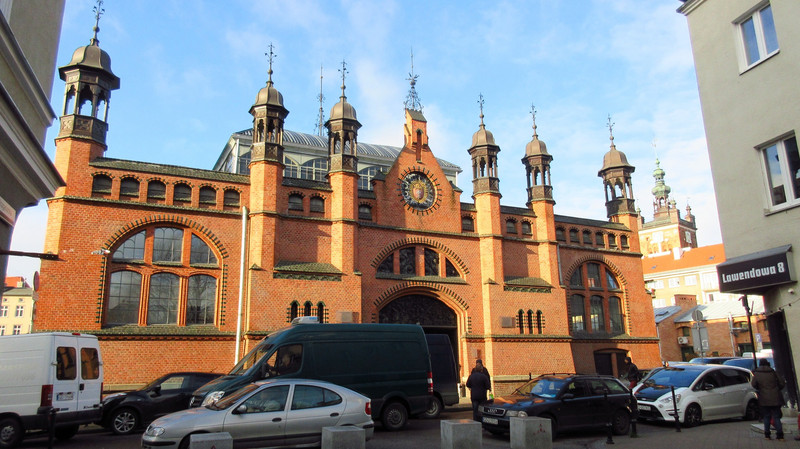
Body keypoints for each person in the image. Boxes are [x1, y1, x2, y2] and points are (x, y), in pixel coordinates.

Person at [752, 358, 786, 440]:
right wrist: (777, 389)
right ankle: (780, 435)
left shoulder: (757, 373)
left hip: (763, 398)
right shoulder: (773, 372)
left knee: (766, 416)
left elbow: (753, 384)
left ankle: (767, 435)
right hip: (775, 397)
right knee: (776, 417)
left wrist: (760, 389)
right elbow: (782, 383)